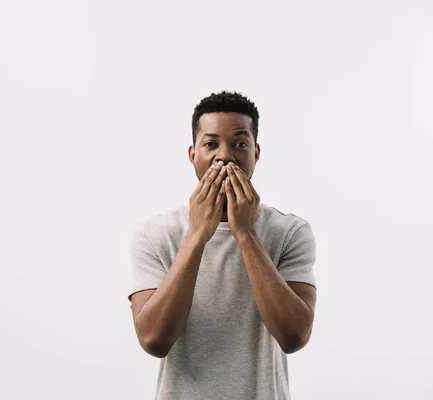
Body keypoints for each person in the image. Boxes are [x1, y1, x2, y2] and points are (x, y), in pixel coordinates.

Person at [127, 91, 317, 399]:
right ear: (193, 154)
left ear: (256, 152)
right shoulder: (155, 233)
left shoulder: (290, 232)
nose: (225, 156)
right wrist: (196, 234)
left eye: (239, 144)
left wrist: (246, 233)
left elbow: (294, 336)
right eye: (211, 144)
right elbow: (153, 340)